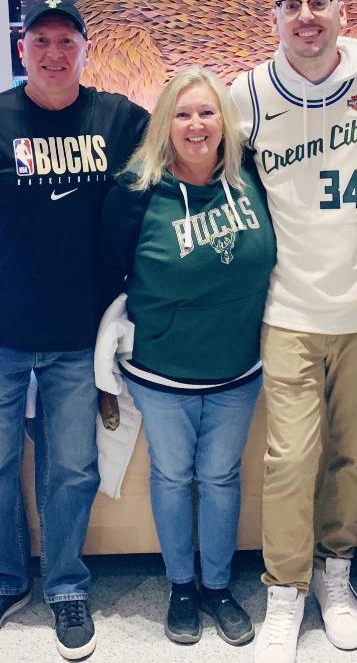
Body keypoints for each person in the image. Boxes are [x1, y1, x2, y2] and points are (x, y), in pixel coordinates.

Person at [0, 0, 148, 661]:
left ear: (83, 49)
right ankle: (5, 580)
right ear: (22, 51)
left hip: (80, 334)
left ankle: (66, 585)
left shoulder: (119, 119)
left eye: (65, 41)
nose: (53, 53)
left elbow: (177, 167)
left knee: (70, 469)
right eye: (40, 41)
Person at [229, 0, 357, 663]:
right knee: (289, 460)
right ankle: (284, 593)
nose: (306, 16)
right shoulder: (248, 92)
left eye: (320, 2)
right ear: (274, 16)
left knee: (352, 457)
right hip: (290, 309)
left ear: (341, 11)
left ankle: (336, 578)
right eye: (291, 5)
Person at [99, 66, 276, 648]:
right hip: (160, 371)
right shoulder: (136, 190)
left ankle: (218, 587)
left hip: (237, 370)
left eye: (207, 113)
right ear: (164, 124)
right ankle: (181, 585)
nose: (196, 125)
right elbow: (105, 273)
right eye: (182, 114)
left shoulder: (251, 178)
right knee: (174, 477)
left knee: (221, 478)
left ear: (225, 123)